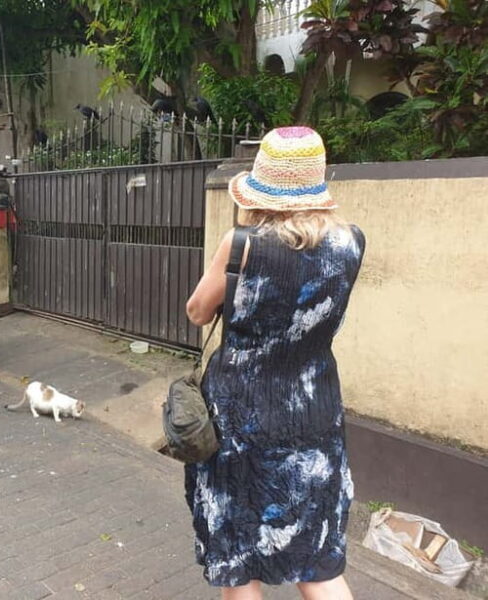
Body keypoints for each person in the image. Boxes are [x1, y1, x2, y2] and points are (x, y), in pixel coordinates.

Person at [184, 127, 365, 600]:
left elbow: (199, 312)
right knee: (318, 559)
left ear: (263, 187)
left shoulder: (242, 245)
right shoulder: (351, 243)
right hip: (314, 412)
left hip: (241, 415)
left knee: (239, 558)